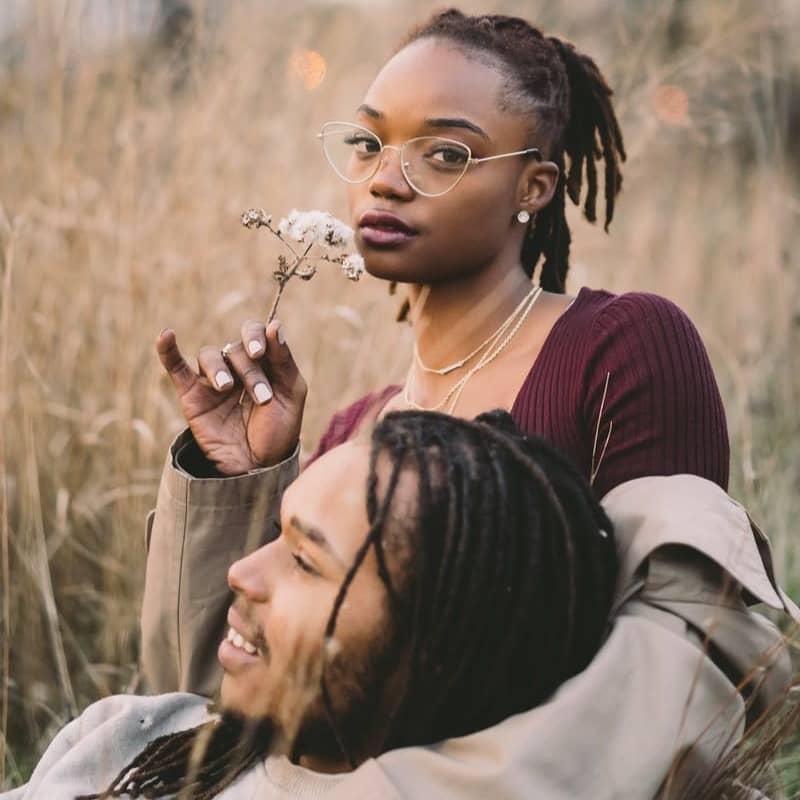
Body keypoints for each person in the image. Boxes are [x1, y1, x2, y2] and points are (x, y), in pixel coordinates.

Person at [138, 6, 798, 798]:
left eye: (445, 153)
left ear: (534, 187)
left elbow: (665, 673)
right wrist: (250, 481)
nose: (386, 177)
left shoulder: (619, 349)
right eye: (370, 142)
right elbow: (227, 707)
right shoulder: (360, 429)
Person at [3, 411, 620, 800]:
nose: (241, 573)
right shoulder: (136, 732)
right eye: (275, 531)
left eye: (304, 560)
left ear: (435, 647)